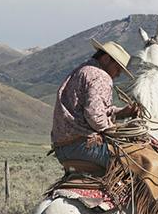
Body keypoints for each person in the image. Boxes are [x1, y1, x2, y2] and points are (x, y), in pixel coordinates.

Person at [51, 39, 140, 168]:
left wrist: (121, 113)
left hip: (63, 148)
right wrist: (116, 130)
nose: (119, 74)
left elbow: (91, 108)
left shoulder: (81, 70)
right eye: (118, 68)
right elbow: (96, 118)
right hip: (86, 147)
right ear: (106, 59)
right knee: (140, 160)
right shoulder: (101, 76)